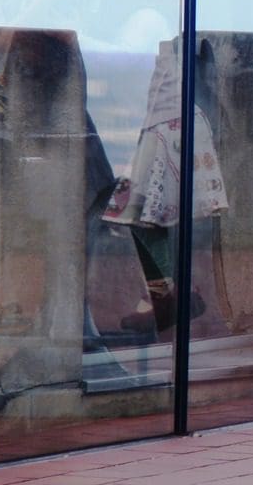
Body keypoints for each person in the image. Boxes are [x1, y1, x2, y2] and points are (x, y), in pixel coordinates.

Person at [102, 37, 227, 334]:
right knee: (150, 216)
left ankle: (169, 294)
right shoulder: (167, 29)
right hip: (167, 120)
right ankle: (168, 293)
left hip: (171, 121)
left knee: (141, 214)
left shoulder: (164, 23)